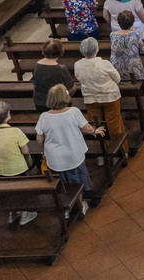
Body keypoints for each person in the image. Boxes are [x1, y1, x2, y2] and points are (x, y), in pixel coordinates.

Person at [36, 84, 105, 217]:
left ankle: (66, 208)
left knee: (62, 183)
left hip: (55, 158)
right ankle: (81, 204)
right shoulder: (73, 112)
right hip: (73, 155)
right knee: (78, 182)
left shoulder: (44, 117)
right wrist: (94, 131)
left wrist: (43, 151)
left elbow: (39, 139)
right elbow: (86, 128)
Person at [0, 101, 36, 224]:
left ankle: (12, 211)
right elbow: (25, 150)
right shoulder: (16, 131)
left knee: (6, 191)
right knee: (22, 190)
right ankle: (25, 213)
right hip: (18, 170)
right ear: (8, 116)